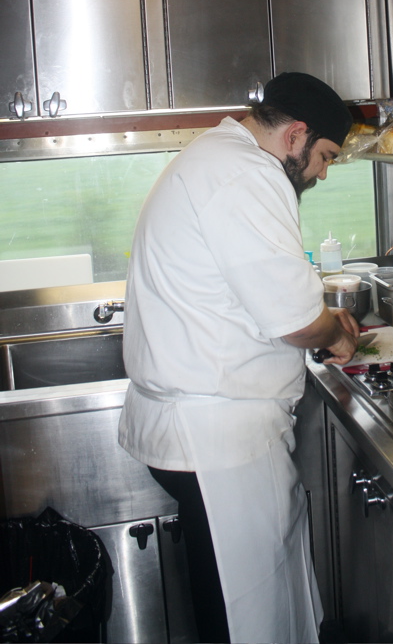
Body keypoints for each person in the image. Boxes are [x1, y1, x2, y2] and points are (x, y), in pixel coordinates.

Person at [118, 72, 360, 644]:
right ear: (296, 134)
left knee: (233, 590)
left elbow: (258, 291)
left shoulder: (219, 155)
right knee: (243, 607)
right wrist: (337, 334)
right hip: (216, 439)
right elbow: (296, 319)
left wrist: (319, 319)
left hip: (204, 430)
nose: (323, 173)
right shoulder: (246, 174)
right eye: (325, 156)